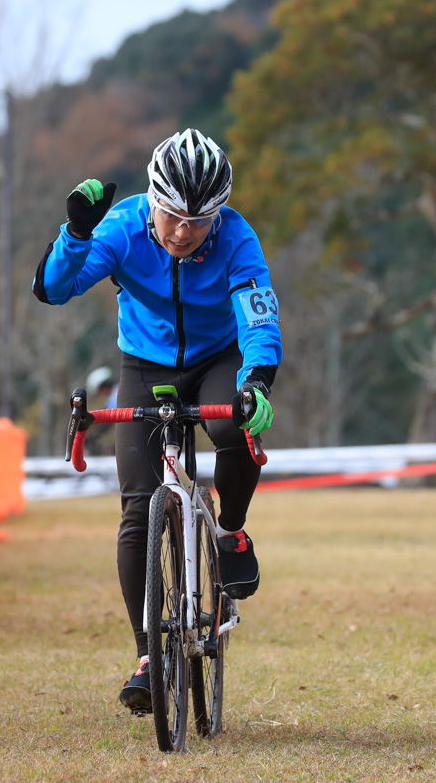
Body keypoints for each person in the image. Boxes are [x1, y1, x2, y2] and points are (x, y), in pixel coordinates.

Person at [33, 128, 282, 713]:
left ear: (218, 215)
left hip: (218, 359)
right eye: (172, 215)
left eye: (199, 221)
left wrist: (257, 381)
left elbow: (258, 320)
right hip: (143, 362)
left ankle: (231, 531)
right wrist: (74, 233)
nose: (183, 232)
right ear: (153, 199)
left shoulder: (238, 239)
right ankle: (149, 654)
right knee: (136, 507)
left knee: (231, 428)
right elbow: (52, 288)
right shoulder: (122, 227)